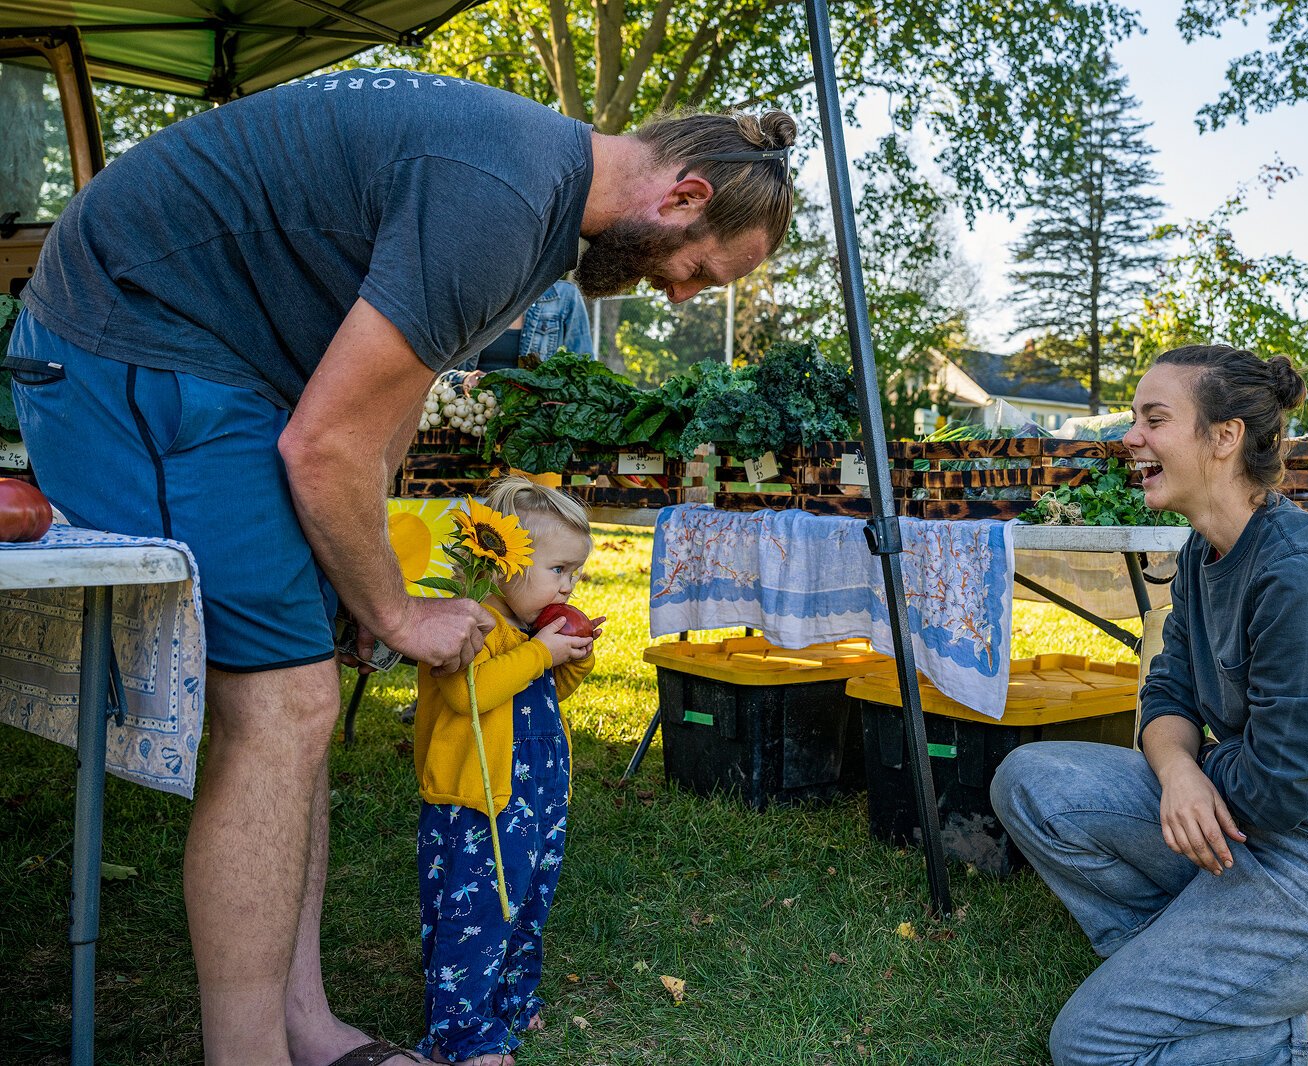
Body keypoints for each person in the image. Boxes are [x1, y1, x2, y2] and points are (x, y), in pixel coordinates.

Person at [4, 65, 794, 1066]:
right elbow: (321, 445)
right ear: (683, 199)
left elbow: (385, 408)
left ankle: (305, 1025)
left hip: (222, 367)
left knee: (307, 697)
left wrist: (360, 572)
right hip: (134, 343)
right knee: (282, 707)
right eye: (702, 272)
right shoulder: (504, 198)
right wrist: (394, 608)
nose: (680, 293)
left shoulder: (536, 202)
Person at [991, 344, 1308, 1066]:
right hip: (1241, 810)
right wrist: (1180, 772)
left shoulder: (1303, 577)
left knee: (1090, 1047)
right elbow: (1167, 689)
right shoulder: (1201, 550)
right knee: (1030, 782)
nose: (1132, 438)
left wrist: (1194, 765)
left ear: (1223, 438)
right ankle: (1179, 963)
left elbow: (1277, 792)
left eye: (1154, 420)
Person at [413, 478, 600, 1066]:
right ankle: (460, 1033)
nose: (569, 585)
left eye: (575, 572)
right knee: (477, 913)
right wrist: (541, 652)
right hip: (477, 800)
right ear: (503, 566)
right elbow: (473, 693)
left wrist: (569, 660)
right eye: (560, 569)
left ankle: (510, 1000)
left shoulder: (527, 631)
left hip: (535, 795)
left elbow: (545, 692)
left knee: (525, 902)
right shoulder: (467, 626)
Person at [464, 279, 594, 374]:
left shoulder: (565, 296)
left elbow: (585, 367)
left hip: (532, 408)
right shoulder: (473, 293)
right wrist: (463, 379)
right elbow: (445, 369)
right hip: (473, 406)